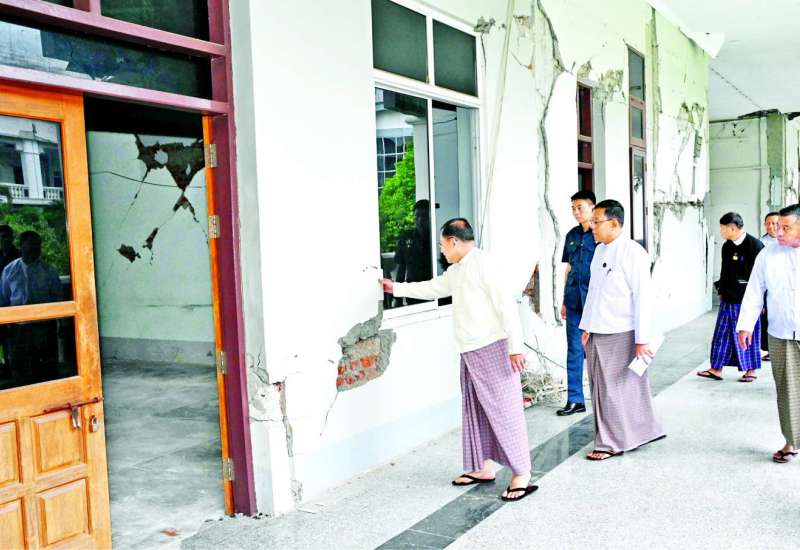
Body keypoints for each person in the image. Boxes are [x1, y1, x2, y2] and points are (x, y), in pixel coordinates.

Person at [381, 218, 537, 501]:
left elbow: (507, 307)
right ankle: (483, 467)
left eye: (443, 245)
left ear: (454, 241)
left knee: (505, 411)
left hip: (494, 348)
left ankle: (522, 474)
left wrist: (516, 348)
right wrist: (397, 289)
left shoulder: (484, 264)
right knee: (475, 410)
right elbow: (433, 288)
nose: (441, 251)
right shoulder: (457, 270)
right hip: (470, 351)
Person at [579, 199, 664, 460]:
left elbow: (643, 298)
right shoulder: (599, 251)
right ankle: (644, 430)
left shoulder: (633, 253)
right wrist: (587, 326)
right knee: (608, 387)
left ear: (614, 223)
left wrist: (642, 339)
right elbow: (594, 293)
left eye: (596, 222)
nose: (592, 227)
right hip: (599, 329)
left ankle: (610, 443)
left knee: (614, 389)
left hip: (622, 330)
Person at [736, 203, 800, 463]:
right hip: (781, 332)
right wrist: (745, 325)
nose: (779, 232)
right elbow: (754, 290)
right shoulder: (767, 254)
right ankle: (791, 441)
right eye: (778, 227)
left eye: (786, 227)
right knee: (787, 390)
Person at [698, 212, 764, 382]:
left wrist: (762, 302)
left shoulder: (755, 246)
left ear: (732, 228)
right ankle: (716, 369)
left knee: (747, 334)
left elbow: (761, 277)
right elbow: (724, 270)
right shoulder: (727, 246)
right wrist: (721, 290)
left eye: (722, 228)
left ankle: (751, 370)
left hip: (746, 300)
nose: (721, 231)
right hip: (728, 297)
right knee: (721, 334)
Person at [0, 231, 63, 383]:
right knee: (20, 368)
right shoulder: (10, 271)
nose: (35, 248)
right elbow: (3, 299)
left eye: (38, 245)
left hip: (44, 328)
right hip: (19, 329)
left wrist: (61, 324)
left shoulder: (48, 271)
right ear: (21, 246)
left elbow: (58, 299)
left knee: (46, 369)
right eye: (31, 244)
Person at [557, 189, 596, 416]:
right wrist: (564, 300)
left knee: (597, 351)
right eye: (573, 208)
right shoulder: (571, 235)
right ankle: (575, 399)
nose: (576, 212)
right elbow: (569, 268)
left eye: (580, 207)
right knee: (574, 350)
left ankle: (602, 399)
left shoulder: (600, 235)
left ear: (592, 207)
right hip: (574, 301)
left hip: (595, 302)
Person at [392, 199, 432, 307]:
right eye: (417, 215)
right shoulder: (406, 237)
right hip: (413, 292)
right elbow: (401, 268)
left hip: (433, 291)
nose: (420, 219)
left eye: (424, 216)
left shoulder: (436, 238)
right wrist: (397, 298)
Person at [759, 211, 780, 360]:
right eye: (768, 223)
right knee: (767, 319)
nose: (771, 226)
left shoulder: (788, 241)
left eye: (775, 223)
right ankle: (770, 350)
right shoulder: (760, 243)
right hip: (767, 287)